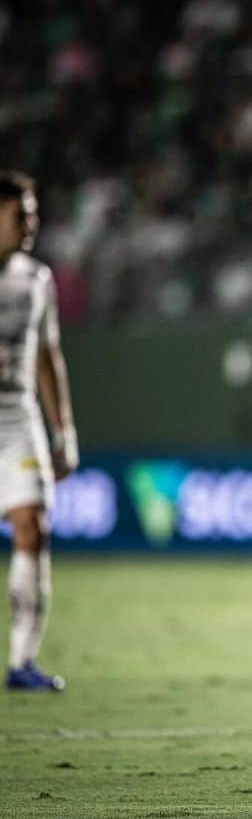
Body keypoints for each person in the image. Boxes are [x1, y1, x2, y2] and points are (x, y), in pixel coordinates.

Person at [1, 170, 79, 691]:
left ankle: (21, 661)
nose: (31, 222)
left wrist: (63, 430)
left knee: (33, 525)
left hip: (15, 415)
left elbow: (49, 356)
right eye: (19, 213)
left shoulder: (37, 279)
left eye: (32, 212)